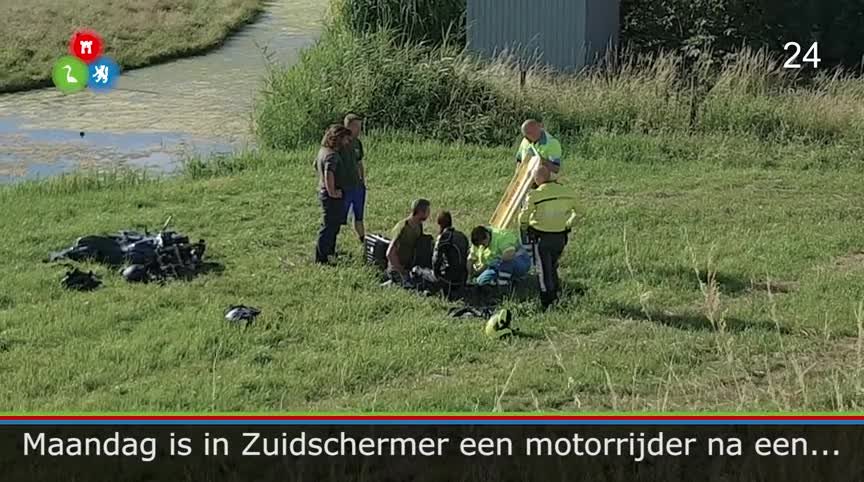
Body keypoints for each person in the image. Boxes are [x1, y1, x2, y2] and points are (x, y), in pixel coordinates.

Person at [518, 166, 579, 310]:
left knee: (543, 269)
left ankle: (547, 301)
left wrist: (525, 227)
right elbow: (581, 212)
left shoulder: (535, 195)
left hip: (541, 236)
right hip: (561, 236)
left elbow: (523, 216)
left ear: (537, 179)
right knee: (553, 265)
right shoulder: (567, 192)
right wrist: (568, 223)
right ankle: (557, 293)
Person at [314, 124, 354, 265]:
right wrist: (333, 191)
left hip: (325, 192)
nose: (348, 142)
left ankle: (329, 251)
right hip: (331, 195)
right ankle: (321, 257)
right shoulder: (331, 155)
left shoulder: (323, 151)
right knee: (329, 226)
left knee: (333, 224)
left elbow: (315, 166)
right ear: (338, 139)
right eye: (346, 139)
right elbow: (328, 173)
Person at [386, 199, 431, 282]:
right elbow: (390, 253)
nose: (429, 214)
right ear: (420, 212)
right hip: (397, 270)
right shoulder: (403, 228)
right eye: (428, 211)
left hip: (411, 267)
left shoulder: (418, 225)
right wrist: (401, 271)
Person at [340, 113, 367, 243]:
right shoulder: (340, 142)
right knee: (340, 216)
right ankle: (333, 242)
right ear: (349, 126)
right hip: (345, 186)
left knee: (359, 214)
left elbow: (359, 162)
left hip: (357, 185)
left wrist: (362, 180)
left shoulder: (357, 143)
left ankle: (362, 238)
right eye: (357, 126)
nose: (359, 130)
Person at [431, 211, 470, 294]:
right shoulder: (462, 236)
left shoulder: (444, 238)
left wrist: (436, 274)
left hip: (448, 280)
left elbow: (436, 260)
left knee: (417, 270)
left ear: (439, 224)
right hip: (462, 279)